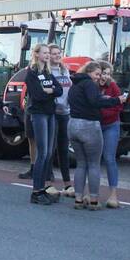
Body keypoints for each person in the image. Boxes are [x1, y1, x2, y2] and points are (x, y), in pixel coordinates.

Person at [68, 61, 123, 210]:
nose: (99, 77)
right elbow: (95, 101)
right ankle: (93, 200)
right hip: (89, 126)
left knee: (81, 164)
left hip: (73, 125)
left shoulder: (74, 84)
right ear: (89, 72)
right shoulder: (90, 85)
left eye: (101, 74)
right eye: (97, 74)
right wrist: (116, 100)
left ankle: (78, 199)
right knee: (93, 164)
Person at [23, 44, 63, 205]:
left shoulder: (47, 72)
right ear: (37, 54)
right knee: (42, 152)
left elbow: (59, 90)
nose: (47, 55)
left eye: (48, 53)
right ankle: (36, 191)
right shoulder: (31, 73)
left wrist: (51, 91)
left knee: (48, 153)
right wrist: (50, 91)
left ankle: (41, 189)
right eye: (45, 53)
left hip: (50, 114)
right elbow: (37, 95)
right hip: (38, 114)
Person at [47, 44, 74, 197]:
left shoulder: (65, 70)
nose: (57, 56)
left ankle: (67, 183)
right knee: (50, 148)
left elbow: (69, 90)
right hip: (53, 113)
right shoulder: (47, 72)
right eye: (54, 53)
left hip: (65, 113)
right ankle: (49, 182)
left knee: (63, 149)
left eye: (59, 53)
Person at [98, 61, 124, 208]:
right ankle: (91, 193)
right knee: (93, 160)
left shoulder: (113, 87)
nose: (105, 76)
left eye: (108, 74)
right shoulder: (93, 87)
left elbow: (118, 106)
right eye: (103, 73)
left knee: (109, 158)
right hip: (96, 125)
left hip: (110, 125)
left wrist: (103, 111)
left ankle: (113, 194)